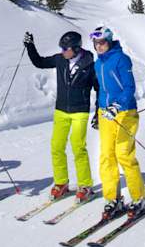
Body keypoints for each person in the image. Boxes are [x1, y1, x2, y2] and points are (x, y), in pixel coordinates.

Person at [24, 30, 98, 201]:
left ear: (77, 48)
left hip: (80, 110)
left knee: (78, 146)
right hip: (61, 110)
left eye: (66, 48)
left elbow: (98, 88)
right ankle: (61, 182)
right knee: (57, 146)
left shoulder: (89, 64)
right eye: (62, 48)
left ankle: (85, 185)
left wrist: (99, 111)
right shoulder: (60, 60)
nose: (63, 51)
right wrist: (30, 46)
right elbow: (39, 62)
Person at [90, 25, 145, 220]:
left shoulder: (121, 59)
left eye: (102, 42)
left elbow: (129, 88)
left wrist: (117, 105)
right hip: (106, 113)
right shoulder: (98, 64)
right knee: (106, 155)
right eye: (96, 43)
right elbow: (102, 91)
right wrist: (99, 112)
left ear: (109, 41)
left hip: (125, 112)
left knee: (124, 154)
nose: (99, 46)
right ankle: (113, 198)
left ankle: (139, 196)